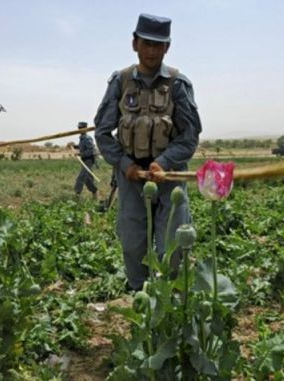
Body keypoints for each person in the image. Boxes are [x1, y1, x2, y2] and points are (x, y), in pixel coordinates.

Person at [94, 13, 202, 291]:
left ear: (167, 48)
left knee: (174, 241)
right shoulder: (120, 81)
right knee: (132, 240)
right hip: (131, 176)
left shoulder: (178, 84)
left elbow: (189, 136)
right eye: (146, 43)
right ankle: (138, 294)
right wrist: (123, 163)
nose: (152, 50)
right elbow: (103, 133)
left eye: (159, 45)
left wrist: (163, 162)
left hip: (169, 175)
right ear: (135, 43)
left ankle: (170, 295)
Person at [72, 121, 98, 199]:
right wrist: (74, 146)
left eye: (81, 128)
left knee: (81, 177)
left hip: (89, 160)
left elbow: (91, 150)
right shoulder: (82, 138)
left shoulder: (87, 138)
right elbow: (81, 147)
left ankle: (77, 195)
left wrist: (80, 154)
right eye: (79, 128)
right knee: (87, 179)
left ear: (86, 129)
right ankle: (94, 191)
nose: (79, 129)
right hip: (84, 160)